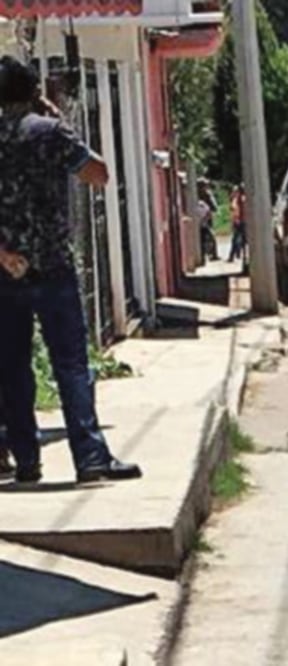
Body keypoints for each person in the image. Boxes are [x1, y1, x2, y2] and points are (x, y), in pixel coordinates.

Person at [0, 56, 141, 484]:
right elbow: (98, 174)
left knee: (11, 368)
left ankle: (26, 461)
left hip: (6, 271)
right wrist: (59, 121)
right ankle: (91, 459)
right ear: (33, 92)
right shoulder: (50, 132)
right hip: (54, 265)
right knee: (72, 365)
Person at [196, 177, 219, 261]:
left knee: (208, 236)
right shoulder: (203, 194)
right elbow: (214, 207)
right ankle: (209, 254)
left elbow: (214, 207)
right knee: (207, 237)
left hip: (206, 219)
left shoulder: (206, 194)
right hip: (203, 219)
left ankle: (212, 254)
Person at [228, 183, 247, 263]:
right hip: (241, 221)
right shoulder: (242, 199)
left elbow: (233, 209)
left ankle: (234, 256)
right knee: (240, 239)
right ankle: (236, 255)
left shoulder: (238, 199)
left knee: (237, 239)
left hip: (239, 221)